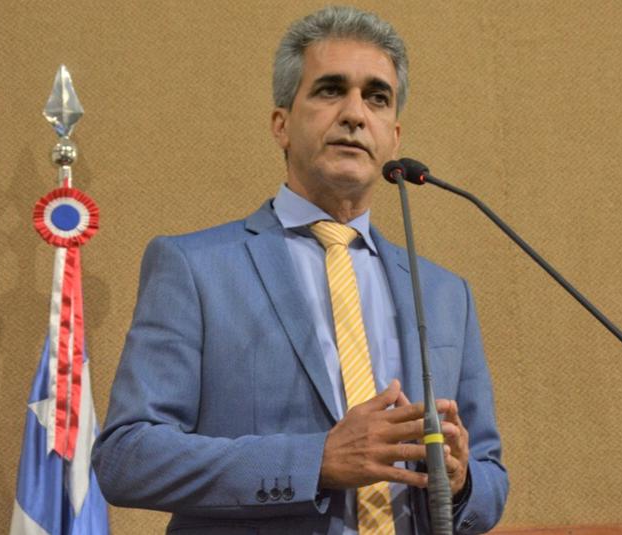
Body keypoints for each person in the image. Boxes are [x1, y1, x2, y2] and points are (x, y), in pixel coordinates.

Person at [92, 6, 508, 534]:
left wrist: (462, 479)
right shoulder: (195, 268)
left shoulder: (446, 294)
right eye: (330, 91)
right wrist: (315, 460)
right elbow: (128, 457)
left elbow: (491, 479)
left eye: (377, 97)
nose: (355, 114)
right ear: (281, 125)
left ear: (394, 136)